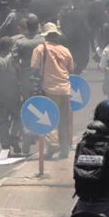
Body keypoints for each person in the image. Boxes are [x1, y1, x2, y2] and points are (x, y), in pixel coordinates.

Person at [31, 23, 75, 158]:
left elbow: (34, 68)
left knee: (48, 119)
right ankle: (64, 150)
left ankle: (53, 146)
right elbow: (71, 70)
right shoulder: (65, 50)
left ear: (45, 36)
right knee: (64, 121)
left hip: (49, 89)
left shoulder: (40, 49)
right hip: (65, 89)